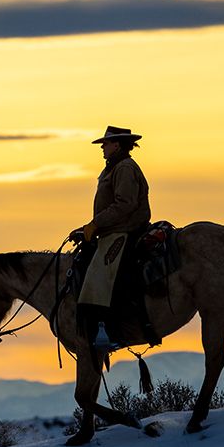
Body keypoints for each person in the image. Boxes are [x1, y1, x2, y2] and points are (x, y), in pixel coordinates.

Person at [70, 125, 151, 351]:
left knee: (101, 277)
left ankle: (111, 331)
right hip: (112, 230)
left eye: (105, 143)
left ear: (117, 144)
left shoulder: (124, 168)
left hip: (124, 231)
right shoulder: (114, 168)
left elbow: (125, 204)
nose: (102, 148)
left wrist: (96, 224)